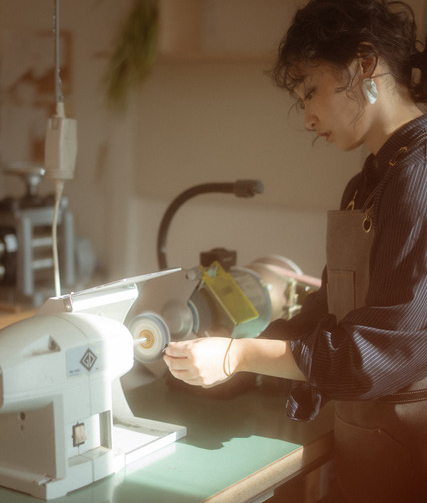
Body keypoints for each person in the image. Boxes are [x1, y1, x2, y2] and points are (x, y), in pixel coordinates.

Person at [163, 0, 427, 501]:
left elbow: (375, 356)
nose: (307, 118)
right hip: (368, 442)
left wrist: (239, 356)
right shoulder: (367, 183)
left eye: (311, 90)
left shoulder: (418, 176)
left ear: (365, 64)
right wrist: (232, 353)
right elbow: (325, 311)